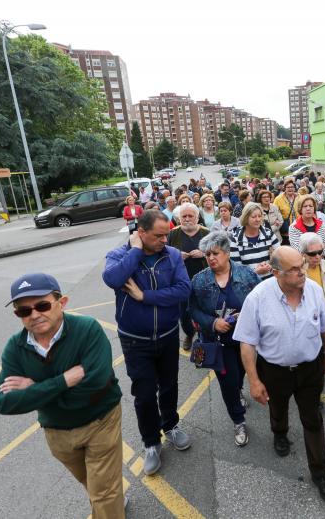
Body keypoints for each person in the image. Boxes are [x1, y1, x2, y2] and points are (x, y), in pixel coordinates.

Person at [0, 273, 125, 518]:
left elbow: (96, 381)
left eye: (42, 305)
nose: (34, 315)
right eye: (23, 311)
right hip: (57, 433)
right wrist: (64, 380)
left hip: (100, 421)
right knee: (92, 483)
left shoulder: (87, 330)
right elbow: (4, 403)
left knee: (103, 493)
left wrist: (35, 389)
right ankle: (112, 499)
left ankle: (111, 502)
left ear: (62, 302)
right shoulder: (15, 347)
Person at [233, 247, 325, 503]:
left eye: (301, 265)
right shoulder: (258, 297)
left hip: (310, 369)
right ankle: (279, 433)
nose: (301, 272)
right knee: (277, 408)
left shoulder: (313, 290)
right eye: (293, 269)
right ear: (275, 272)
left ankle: (320, 472)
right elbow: (247, 342)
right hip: (275, 371)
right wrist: (254, 380)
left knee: (313, 418)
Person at [102, 210, 192, 476]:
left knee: (169, 385)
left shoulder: (172, 256)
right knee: (143, 394)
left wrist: (145, 296)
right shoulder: (120, 256)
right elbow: (113, 279)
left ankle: (171, 426)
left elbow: (183, 289)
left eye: (167, 234)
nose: (165, 239)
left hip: (166, 336)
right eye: (158, 235)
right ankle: (151, 443)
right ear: (140, 233)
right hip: (135, 341)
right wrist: (135, 252)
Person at [189, 232, 261, 447]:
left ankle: (239, 390)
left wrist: (247, 316)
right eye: (207, 254)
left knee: (240, 375)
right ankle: (238, 420)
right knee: (228, 383)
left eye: (215, 253)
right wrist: (212, 323)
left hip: (246, 340)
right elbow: (191, 309)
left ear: (227, 253)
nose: (211, 258)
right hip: (218, 343)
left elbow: (261, 300)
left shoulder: (247, 275)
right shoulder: (199, 279)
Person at [169, 203, 210, 351]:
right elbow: (163, 254)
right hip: (180, 281)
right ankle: (188, 333)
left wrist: (204, 253)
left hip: (205, 280)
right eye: (183, 216)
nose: (187, 219)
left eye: (190, 216)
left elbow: (219, 252)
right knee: (184, 312)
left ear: (197, 217)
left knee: (205, 309)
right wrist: (176, 255)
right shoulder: (173, 233)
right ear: (179, 218)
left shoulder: (207, 233)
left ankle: (205, 336)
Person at [230, 202, 280, 280]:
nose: (258, 219)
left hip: (271, 281)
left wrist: (271, 266)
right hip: (250, 284)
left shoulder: (268, 233)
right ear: (246, 218)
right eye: (253, 217)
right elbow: (236, 270)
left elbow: (280, 256)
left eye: (260, 216)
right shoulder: (236, 240)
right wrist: (256, 272)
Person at [274, 179, 298, 245]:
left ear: (295, 188)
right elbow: (274, 212)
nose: (290, 189)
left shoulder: (299, 197)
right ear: (285, 188)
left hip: (299, 229)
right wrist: (277, 220)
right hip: (286, 230)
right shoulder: (278, 199)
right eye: (288, 187)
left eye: (292, 187)